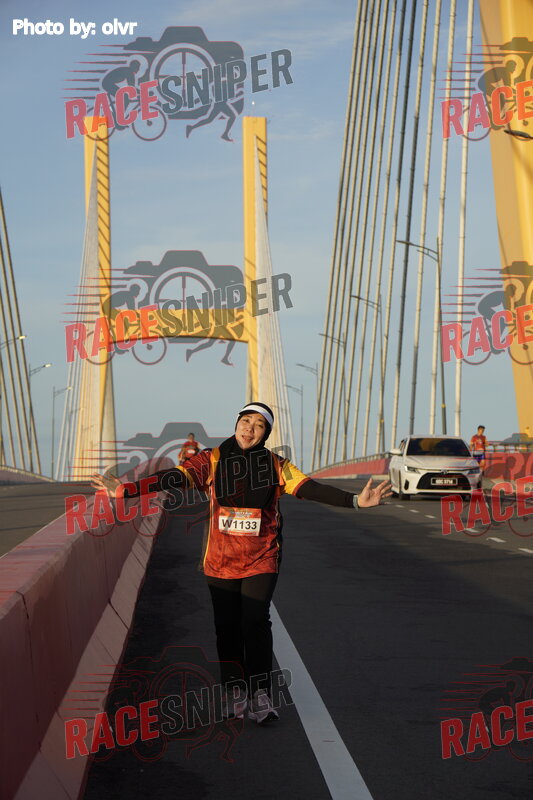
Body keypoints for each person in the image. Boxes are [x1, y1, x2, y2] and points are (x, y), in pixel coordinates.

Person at [92, 402, 391, 725]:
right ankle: (235, 691)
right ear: (236, 424)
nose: (250, 428)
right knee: (227, 627)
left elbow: (311, 488)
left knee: (255, 621)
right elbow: (175, 477)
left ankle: (260, 694)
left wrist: (355, 501)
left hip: (262, 557)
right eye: (246, 421)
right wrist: (128, 490)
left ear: (266, 434)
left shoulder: (276, 465)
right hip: (220, 560)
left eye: (259, 425)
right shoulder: (211, 459)